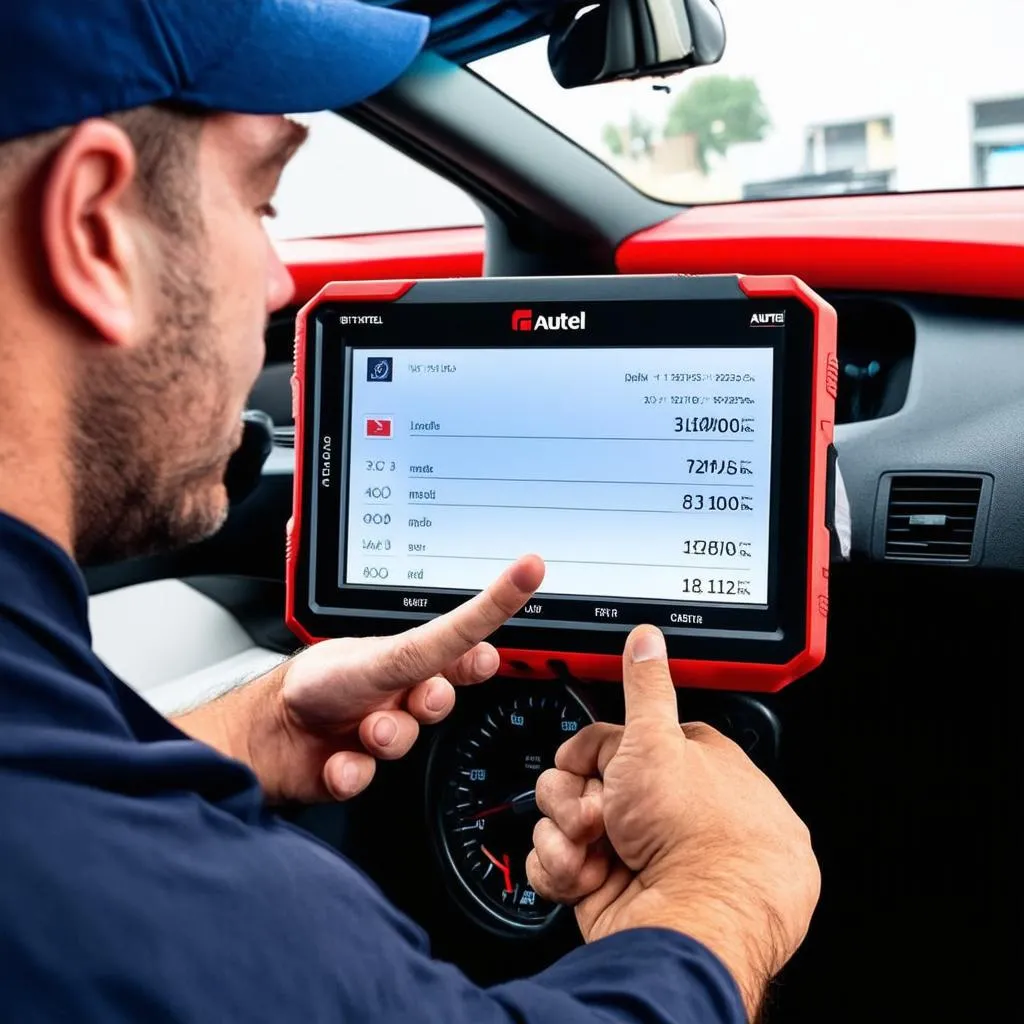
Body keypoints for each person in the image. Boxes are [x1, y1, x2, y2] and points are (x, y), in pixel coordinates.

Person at [0, 1, 820, 1021]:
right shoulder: (186, 910)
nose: (279, 282)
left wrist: (240, 730)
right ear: (91, 230)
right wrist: (727, 887)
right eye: (261, 203)